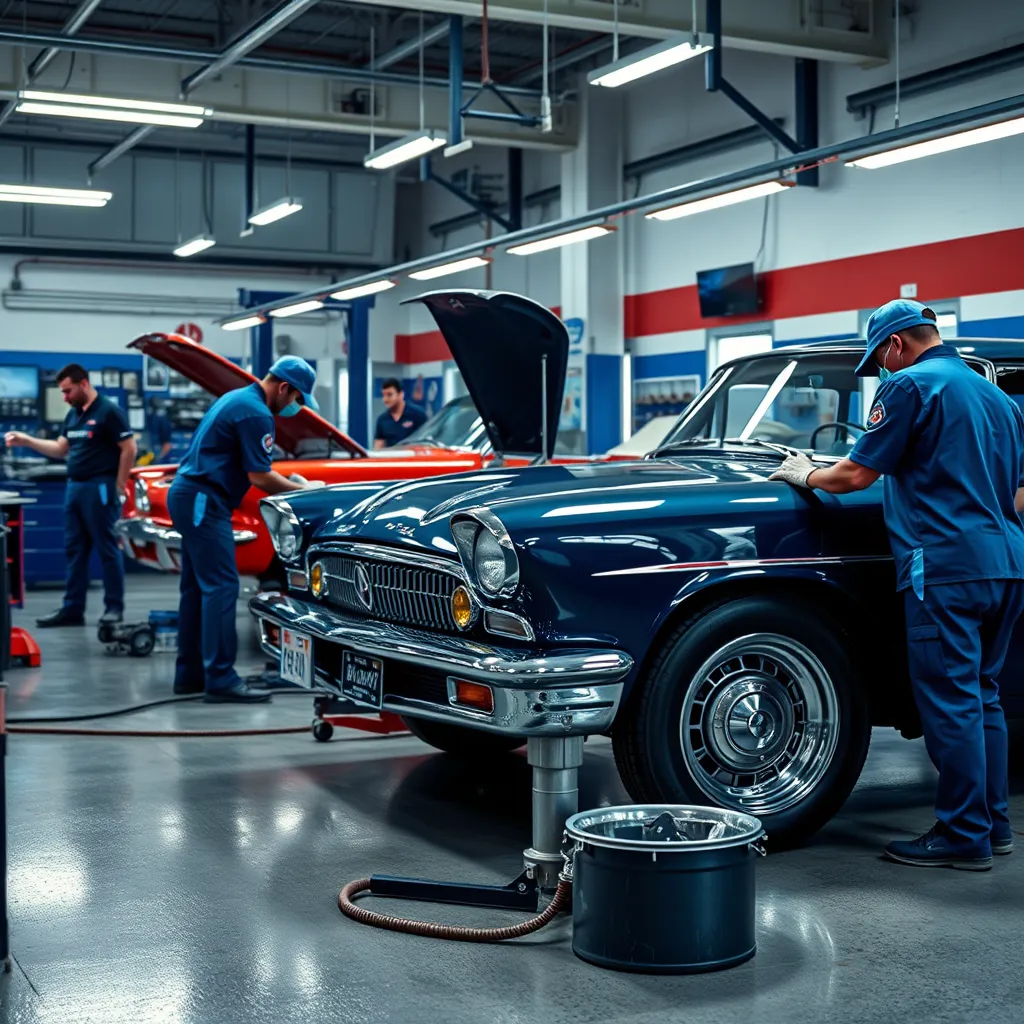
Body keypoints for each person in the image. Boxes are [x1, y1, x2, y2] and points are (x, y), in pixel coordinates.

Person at [770, 299, 1024, 871]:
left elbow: (856, 474)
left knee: (951, 701)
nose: (881, 371)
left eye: (879, 360)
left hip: (946, 568)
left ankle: (963, 836)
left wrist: (805, 473)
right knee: (982, 695)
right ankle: (993, 826)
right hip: (1007, 563)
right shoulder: (999, 399)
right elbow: (1020, 492)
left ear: (895, 345)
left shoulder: (910, 386)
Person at [169, 356, 318, 704]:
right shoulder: (257, 413)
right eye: (297, 399)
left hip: (190, 496)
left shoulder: (237, 398)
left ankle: (190, 676)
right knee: (221, 587)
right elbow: (260, 477)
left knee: (196, 589)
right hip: (204, 501)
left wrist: (288, 480)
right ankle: (221, 679)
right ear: (284, 388)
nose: (295, 407)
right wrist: (302, 490)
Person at [5, 364, 136, 628]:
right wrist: (27, 440)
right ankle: (72, 609)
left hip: (100, 487)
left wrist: (119, 485)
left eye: (68, 391)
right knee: (74, 551)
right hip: (75, 487)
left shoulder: (109, 412)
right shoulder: (74, 414)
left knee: (107, 550)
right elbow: (60, 448)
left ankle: (114, 609)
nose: (64, 397)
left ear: (83, 384)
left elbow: (129, 448)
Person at [373, 377, 426, 448]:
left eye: (389, 395)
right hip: (392, 454)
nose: (385, 399)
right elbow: (378, 448)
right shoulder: (382, 420)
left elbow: (427, 441)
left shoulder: (418, 414)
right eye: (383, 395)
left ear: (401, 395)